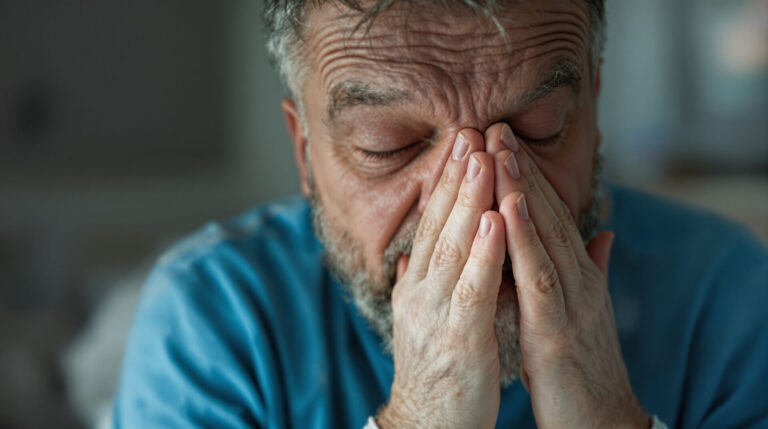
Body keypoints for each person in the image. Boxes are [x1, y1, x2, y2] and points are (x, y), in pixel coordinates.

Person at [113, 0, 768, 427]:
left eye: (536, 130)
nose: (478, 196)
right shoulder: (214, 319)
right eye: (388, 146)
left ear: (592, 114)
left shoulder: (728, 297)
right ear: (305, 149)